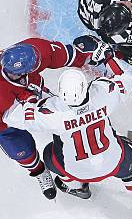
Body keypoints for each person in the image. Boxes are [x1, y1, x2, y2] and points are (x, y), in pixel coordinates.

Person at [4, 64, 132, 219]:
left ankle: (78, 188)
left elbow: (10, 116)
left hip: (76, 171)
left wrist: (29, 101)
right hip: (114, 163)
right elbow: (128, 79)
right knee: (131, 170)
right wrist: (108, 58)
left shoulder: (50, 112)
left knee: (49, 155)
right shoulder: (105, 94)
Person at [0, 36, 99, 199]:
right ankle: (39, 172)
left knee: (67, 121)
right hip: (4, 121)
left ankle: (87, 139)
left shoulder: (35, 51)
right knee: (21, 151)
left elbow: (64, 54)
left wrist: (88, 53)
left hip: (33, 97)